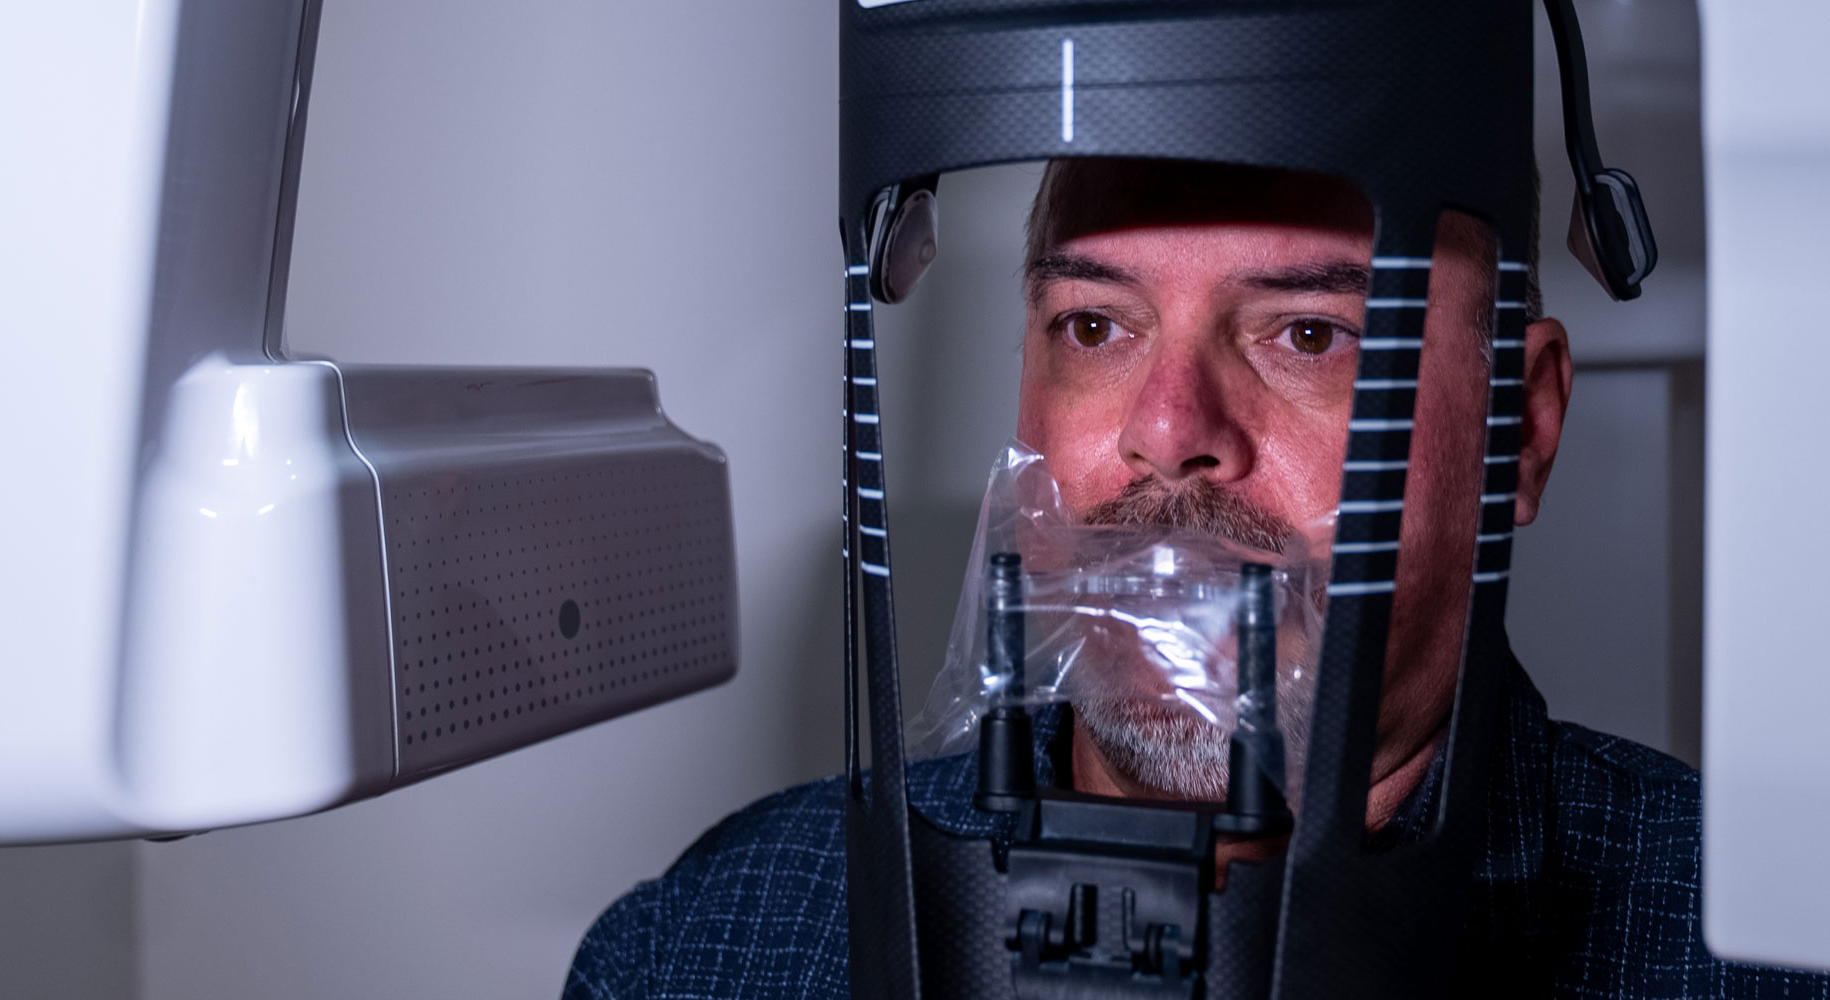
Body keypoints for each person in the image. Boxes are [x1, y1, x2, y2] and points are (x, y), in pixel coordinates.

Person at [562, 159, 1830, 998]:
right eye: (1094, 326)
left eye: (1307, 334)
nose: (1165, 429)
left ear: (1522, 428)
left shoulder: (1759, 948)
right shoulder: (714, 944)